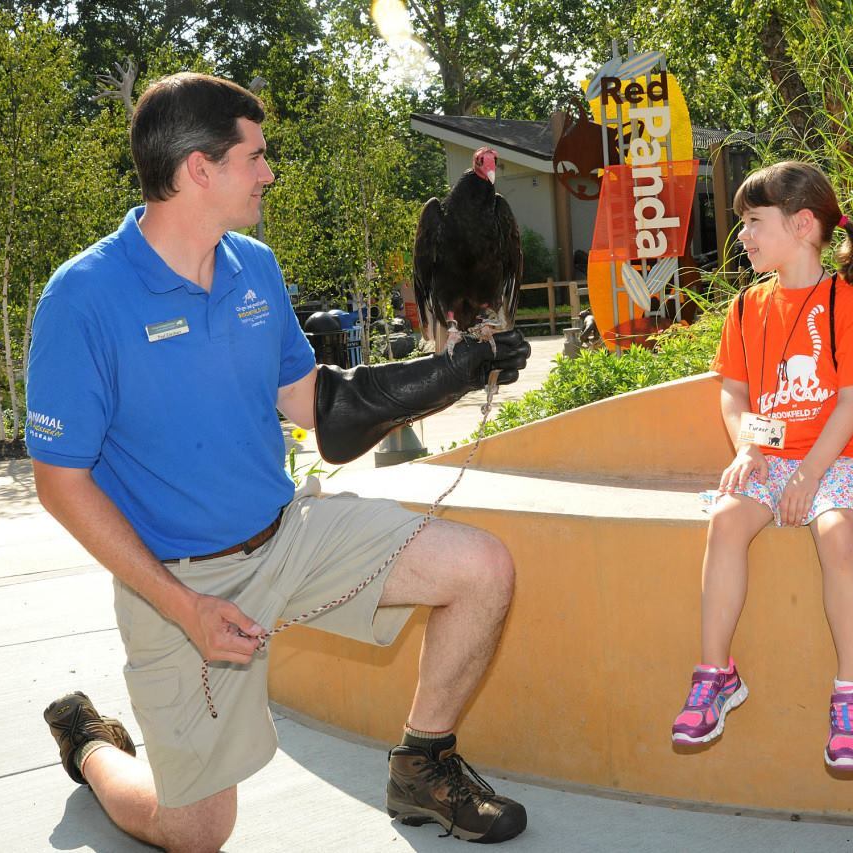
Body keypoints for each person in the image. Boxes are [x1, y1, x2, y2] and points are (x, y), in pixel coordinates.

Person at [27, 72, 530, 851]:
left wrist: (452, 374)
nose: (269, 172)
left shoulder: (253, 267)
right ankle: (93, 745)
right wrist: (184, 606)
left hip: (289, 536)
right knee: (198, 831)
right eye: (255, 156)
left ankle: (422, 766)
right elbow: (60, 484)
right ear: (200, 168)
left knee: (483, 568)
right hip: (178, 582)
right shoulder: (83, 297)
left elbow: (319, 408)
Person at [670, 161, 853, 770]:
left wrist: (809, 475)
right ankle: (716, 674)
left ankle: (852, 693)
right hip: (769, 455)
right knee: (725, 520)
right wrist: (748, 447)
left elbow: (852, 403)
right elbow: (734, 392)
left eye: (753, 222)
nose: (742, 235)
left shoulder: (848, 306)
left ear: (801, 225)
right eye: (742, 223)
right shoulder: (747, 306)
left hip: (836, 456)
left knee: (837, 532)